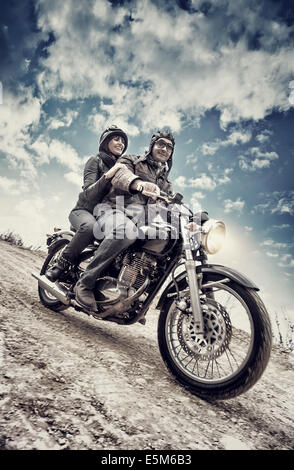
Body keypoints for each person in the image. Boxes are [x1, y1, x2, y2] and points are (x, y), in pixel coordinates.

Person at [74, 130, 175, 312]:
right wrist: (138, 184)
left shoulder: (166, 184)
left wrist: (189, 220)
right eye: (161, 143)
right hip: (112, 210)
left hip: (140, 222)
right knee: (126, 230)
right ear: (152, 145)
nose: (164, 149)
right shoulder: (131, 160)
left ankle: (135, 294)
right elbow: (120, 176)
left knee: (167, 240)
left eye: (169, 147)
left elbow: (169, 206)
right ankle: (85, 283)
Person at [46, 125, 128, 282]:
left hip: (105, 215)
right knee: (91, 227)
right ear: (105, 142)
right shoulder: (95, 161)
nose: (121, 144)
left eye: (123, 141)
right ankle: (60, 265)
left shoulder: (123, 169)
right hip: (83, 211)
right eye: (116, 139)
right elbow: (88, 192)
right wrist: (109, 175)